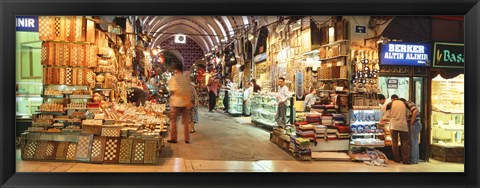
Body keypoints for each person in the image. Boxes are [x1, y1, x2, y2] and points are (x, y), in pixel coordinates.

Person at [167, 62, 193, 144]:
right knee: (186, 122)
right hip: (185, 103)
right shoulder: (186, 79)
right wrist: (187, 100)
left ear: (175, 70)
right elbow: (189, 91)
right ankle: (187, 139)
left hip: (176, 102)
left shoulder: (173, 78)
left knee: (173, 121)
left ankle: (174, 138)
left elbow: (173, 90)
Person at [386, 94, 411, 164]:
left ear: (392, 99)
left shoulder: (390, 104)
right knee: (405, 143)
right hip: (403, 125)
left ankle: (397, 159)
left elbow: (387, 115)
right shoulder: (405, 103)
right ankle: (405, 160)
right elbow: (408, 114)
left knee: (394, 142)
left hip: (393, 126)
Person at [399, 98, 422, 164]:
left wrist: (411, 122)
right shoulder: (406, 106)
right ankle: (415, 159)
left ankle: (413, 160)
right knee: (414, 142)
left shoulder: (409, 103)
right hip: (415, 124)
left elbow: (415, 111)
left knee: (413, 143)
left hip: (415, 124)